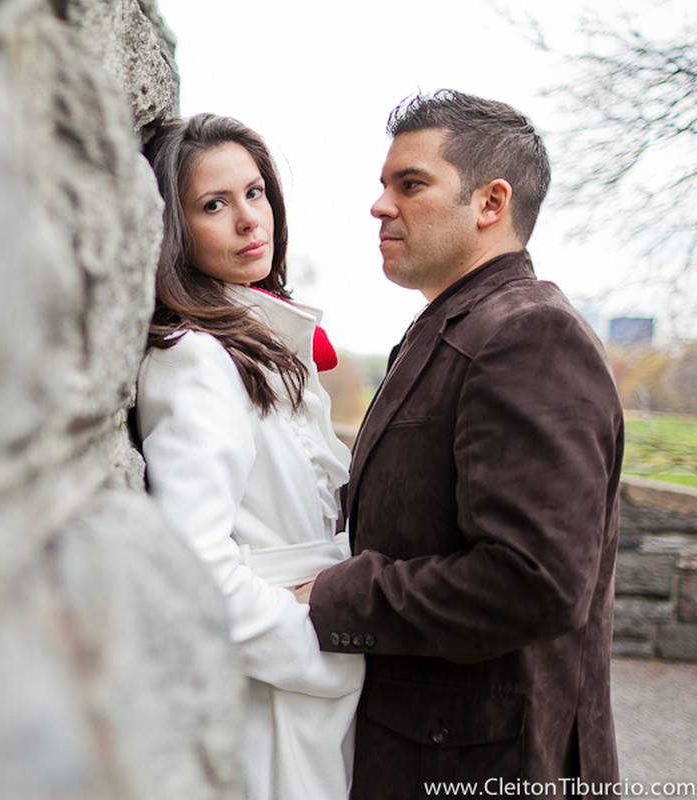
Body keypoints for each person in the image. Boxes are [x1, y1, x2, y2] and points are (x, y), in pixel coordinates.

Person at [298, 90, 624, 797]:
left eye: (409, 184)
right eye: (384, 185)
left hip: (489, 767)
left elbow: (534, 582)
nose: (380, 206)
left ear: (489, 203)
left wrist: (333, 597)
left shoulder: (529, 336)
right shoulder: (442, 331)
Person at [135, 113, 364, 800]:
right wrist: (326, 652)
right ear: (175, 231)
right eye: (214, 204)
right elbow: (195, 570)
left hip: (322, 676)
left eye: (255, 192)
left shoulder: (265, 341)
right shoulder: (196, 361)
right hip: (275, 697)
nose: (247, 220)